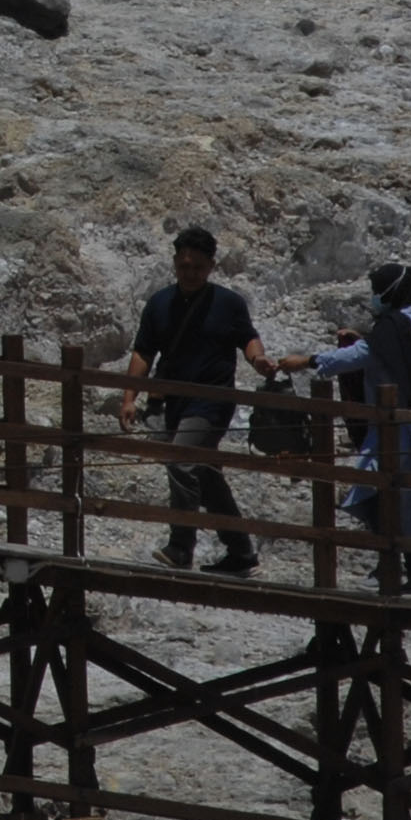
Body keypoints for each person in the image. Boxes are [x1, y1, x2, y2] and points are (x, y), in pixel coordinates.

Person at [113, 225, 273, 574]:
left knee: (181, 460)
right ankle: (242, 553)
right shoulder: (159, 304)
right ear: (174, 263)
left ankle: (181, 547)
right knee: (205, 472)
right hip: (176, 402)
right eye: (184, 266)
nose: (190, 273)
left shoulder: (229, 303)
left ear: (211, 266)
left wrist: (258, 359)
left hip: (213, 401)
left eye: (198, 267)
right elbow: (143, 353)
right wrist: (129, 398)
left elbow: (248, 339)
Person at [276, 263, 411, 590]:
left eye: (378, 290)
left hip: (402, 422)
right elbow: (379, 354)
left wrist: (306, 361)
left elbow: (362, 356)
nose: (375, 298)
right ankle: (403, 569)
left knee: (380, 489)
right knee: (402, 495)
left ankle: (395, 567)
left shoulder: (397, 324)